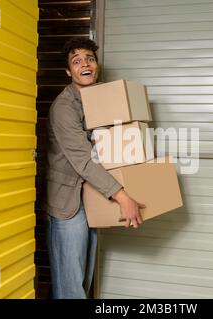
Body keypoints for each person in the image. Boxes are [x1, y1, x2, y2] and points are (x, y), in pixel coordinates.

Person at [46, 37, 144, 299]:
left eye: (89, 59)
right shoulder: (64, 108)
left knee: (83, 281)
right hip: (68, 203)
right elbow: (84, 161)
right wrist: (123, 197)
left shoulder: (101, 98)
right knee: (70, 289)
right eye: (76, 61)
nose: (85, 64)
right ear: (69, 72)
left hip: (92, 196)